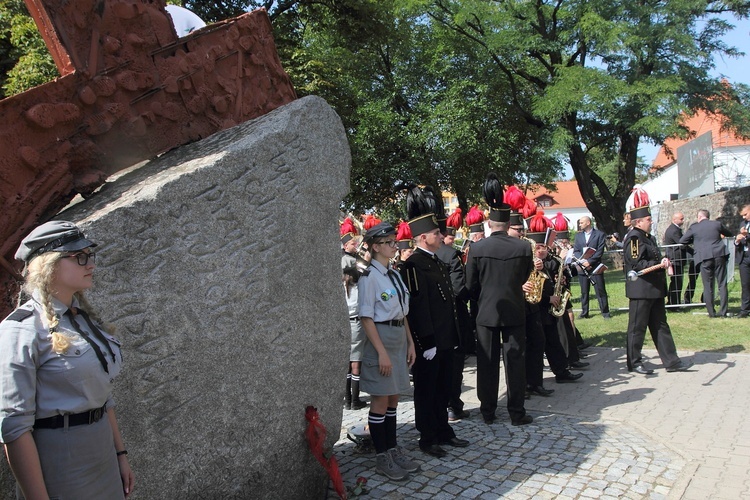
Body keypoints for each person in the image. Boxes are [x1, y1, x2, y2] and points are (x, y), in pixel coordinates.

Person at [0, 220, 134, 499]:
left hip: (102, 454)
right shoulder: (20, 330)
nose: (91, 264)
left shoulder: (79, 317)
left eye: (90, 255)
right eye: (79, 257)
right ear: (47, 266)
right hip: (63, 463)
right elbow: (14, 427)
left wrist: (120, 454)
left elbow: (102, 395)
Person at [402, 188, 469, 458]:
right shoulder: (414, 265)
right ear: (422, 237)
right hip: (429, 341)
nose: (441, 236)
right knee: (427, 391)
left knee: (444, 388)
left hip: (445, 337)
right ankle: (427, 437)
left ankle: (443, 430)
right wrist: (426, 341)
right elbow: (417, 307)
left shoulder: (438, 262)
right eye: (436, 234)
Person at [466, 173, 533, 426]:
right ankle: (517, 411)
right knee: (516, 361)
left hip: (486, 312)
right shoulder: (523, 247)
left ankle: (488, 410)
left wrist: (480, 298)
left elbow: (471, 284)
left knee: (487, 362)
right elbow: (525, 276)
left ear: (489, 223)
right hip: (515, 309)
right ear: (507, 223)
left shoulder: (477, 248)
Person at [357, 222, 419, 481]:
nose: (396, 245)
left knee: (393, 398)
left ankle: (392, 448)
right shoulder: (369, 277)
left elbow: (402, 313)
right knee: (381, 399)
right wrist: (381, 352)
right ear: (375, 246)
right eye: (390, 242)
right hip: (380, 338)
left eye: (395, 242)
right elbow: (366, 317)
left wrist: (410, 342)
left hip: (397, 337)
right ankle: (382, 455)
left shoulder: (392, 274)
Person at [623, 208, 693, 374]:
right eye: (648, 219)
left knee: (661, 325)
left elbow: (651, 258)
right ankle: (634, 362)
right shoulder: (634, 237)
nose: (651, 221)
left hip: (654, 289)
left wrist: (662, 261)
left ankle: (671, 361)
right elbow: (636, 263)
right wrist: (659, 265)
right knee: (637, 328)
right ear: (638, 221)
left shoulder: (649, 238)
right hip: (641, 290)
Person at [435, 209, 472, 423]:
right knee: (454, 366)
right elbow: (459, 289)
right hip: (453, 319)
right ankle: (453, 407)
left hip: (432, 321)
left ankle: (441, 407)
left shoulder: (418, 257)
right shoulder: (451, 255)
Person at [679, 209, 733, 317]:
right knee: (722, 284)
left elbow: (682, 240)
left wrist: (695, 240)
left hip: (704, 257)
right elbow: (729, 233)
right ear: (708, 216)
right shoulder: (717, 224)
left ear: (699, 217)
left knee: (708, 285)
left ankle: (711, 312)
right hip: (719, 255)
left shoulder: (694, 227)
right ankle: (723, 311)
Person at [341, 217, 368, 410]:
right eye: (352, 243)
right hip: (355, 322)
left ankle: (348, 399)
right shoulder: (356, 287)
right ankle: (355, 400)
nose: (355, 245)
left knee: (346, 363)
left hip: (344, 322)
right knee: (356, 362)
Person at [572, 216, 611, 319]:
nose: (580, 224)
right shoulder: (578, 236)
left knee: (600, 290)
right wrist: (582, 261)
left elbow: (600, 251)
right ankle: (585, 312)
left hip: (595, 267)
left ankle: (605, 312)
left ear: (588, 222)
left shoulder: (599, 234)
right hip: (582, 268)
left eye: (581, 222)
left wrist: (590, 261)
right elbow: (576, 250)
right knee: (584, 292)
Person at [662, 212, 696, 306]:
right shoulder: (674, 230)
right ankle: (673, 303)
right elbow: (682, 244)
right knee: (676, 282)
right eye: (681, 219)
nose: (683, 220)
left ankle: (674, 302)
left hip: (677, 259)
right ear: (674, 219)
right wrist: (694, 252)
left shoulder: (675, 229)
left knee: (677, 282)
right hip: (675, 259)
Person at [734, 204, 750, 318]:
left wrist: (747, 235)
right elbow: (739, 239)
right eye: (742, 215)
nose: (744, 217)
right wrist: (737, 241)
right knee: (745, 285)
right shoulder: (742, 224)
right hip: (743, 257)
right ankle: (744, 310)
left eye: (745, 214)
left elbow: (747, 236)